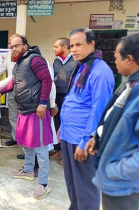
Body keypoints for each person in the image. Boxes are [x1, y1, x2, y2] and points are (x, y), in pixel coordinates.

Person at [85, 33, 139, 210]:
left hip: (128, 188)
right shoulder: (132, 83)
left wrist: (110, 170)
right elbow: (113, 118)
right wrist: (97, 137)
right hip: (118, 183)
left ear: (129, 59)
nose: (114, 62)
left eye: (116, 57)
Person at [57, 28, 115, 210]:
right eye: (72, 45)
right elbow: (75, 100)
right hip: (69, 135)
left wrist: (86, 141)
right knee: (72, 183)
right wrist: (62, 127)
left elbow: (99, 110)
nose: (74, 49)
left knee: (86, 187)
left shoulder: (100, 72)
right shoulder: (82, 67)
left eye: (79, 44)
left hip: (82, 139)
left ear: (91, 44)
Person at [0, 36, 53, 199]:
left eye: (16, 46)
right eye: (11, 46)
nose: (13, 49)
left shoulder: (35, 59)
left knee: (40, 148)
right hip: (24, 110)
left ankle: (43, 184)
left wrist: (43, 103)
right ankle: (28, 170)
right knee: (26, 143)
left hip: (37, 110)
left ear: (25, 46)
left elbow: (47, 80)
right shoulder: (19, 63)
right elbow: (14, 83)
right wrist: (1, 91)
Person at [50, 37, 78, 165]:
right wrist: (53, 100)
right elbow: (51, 81)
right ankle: (60, 149)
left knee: (68, 124)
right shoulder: (55, 61)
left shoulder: (76, 61)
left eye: (56, 46)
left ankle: (69, 153)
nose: (54, 49)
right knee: (57, 123)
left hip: (70, 97)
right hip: (57, 97)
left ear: (64, 47)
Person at [0, 33, 19, 147]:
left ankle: (25, 140)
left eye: (14, 44)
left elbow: (14, 77)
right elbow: (3, 68)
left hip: (23, 91)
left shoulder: (27, 57)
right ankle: (15, 138)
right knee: (12, 115)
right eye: (10, 44)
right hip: (11, 90)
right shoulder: (8, 54)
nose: (12, 47)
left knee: (25, 117)